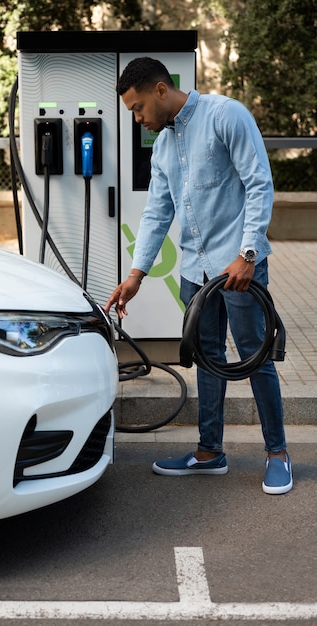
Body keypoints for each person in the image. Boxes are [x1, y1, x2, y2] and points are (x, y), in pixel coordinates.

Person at [105, 57, 292, 495]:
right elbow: (156, 212)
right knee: (207, 358)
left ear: (159, 90)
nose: (137, 119)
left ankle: (278, 453)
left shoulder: (226, 115)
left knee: (255, 356)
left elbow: (259, 183)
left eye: (137, 108)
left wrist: (248, 253)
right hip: (196, 271)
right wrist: (136, 275)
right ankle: (210, 452)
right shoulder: (165, 146)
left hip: (238, 268)